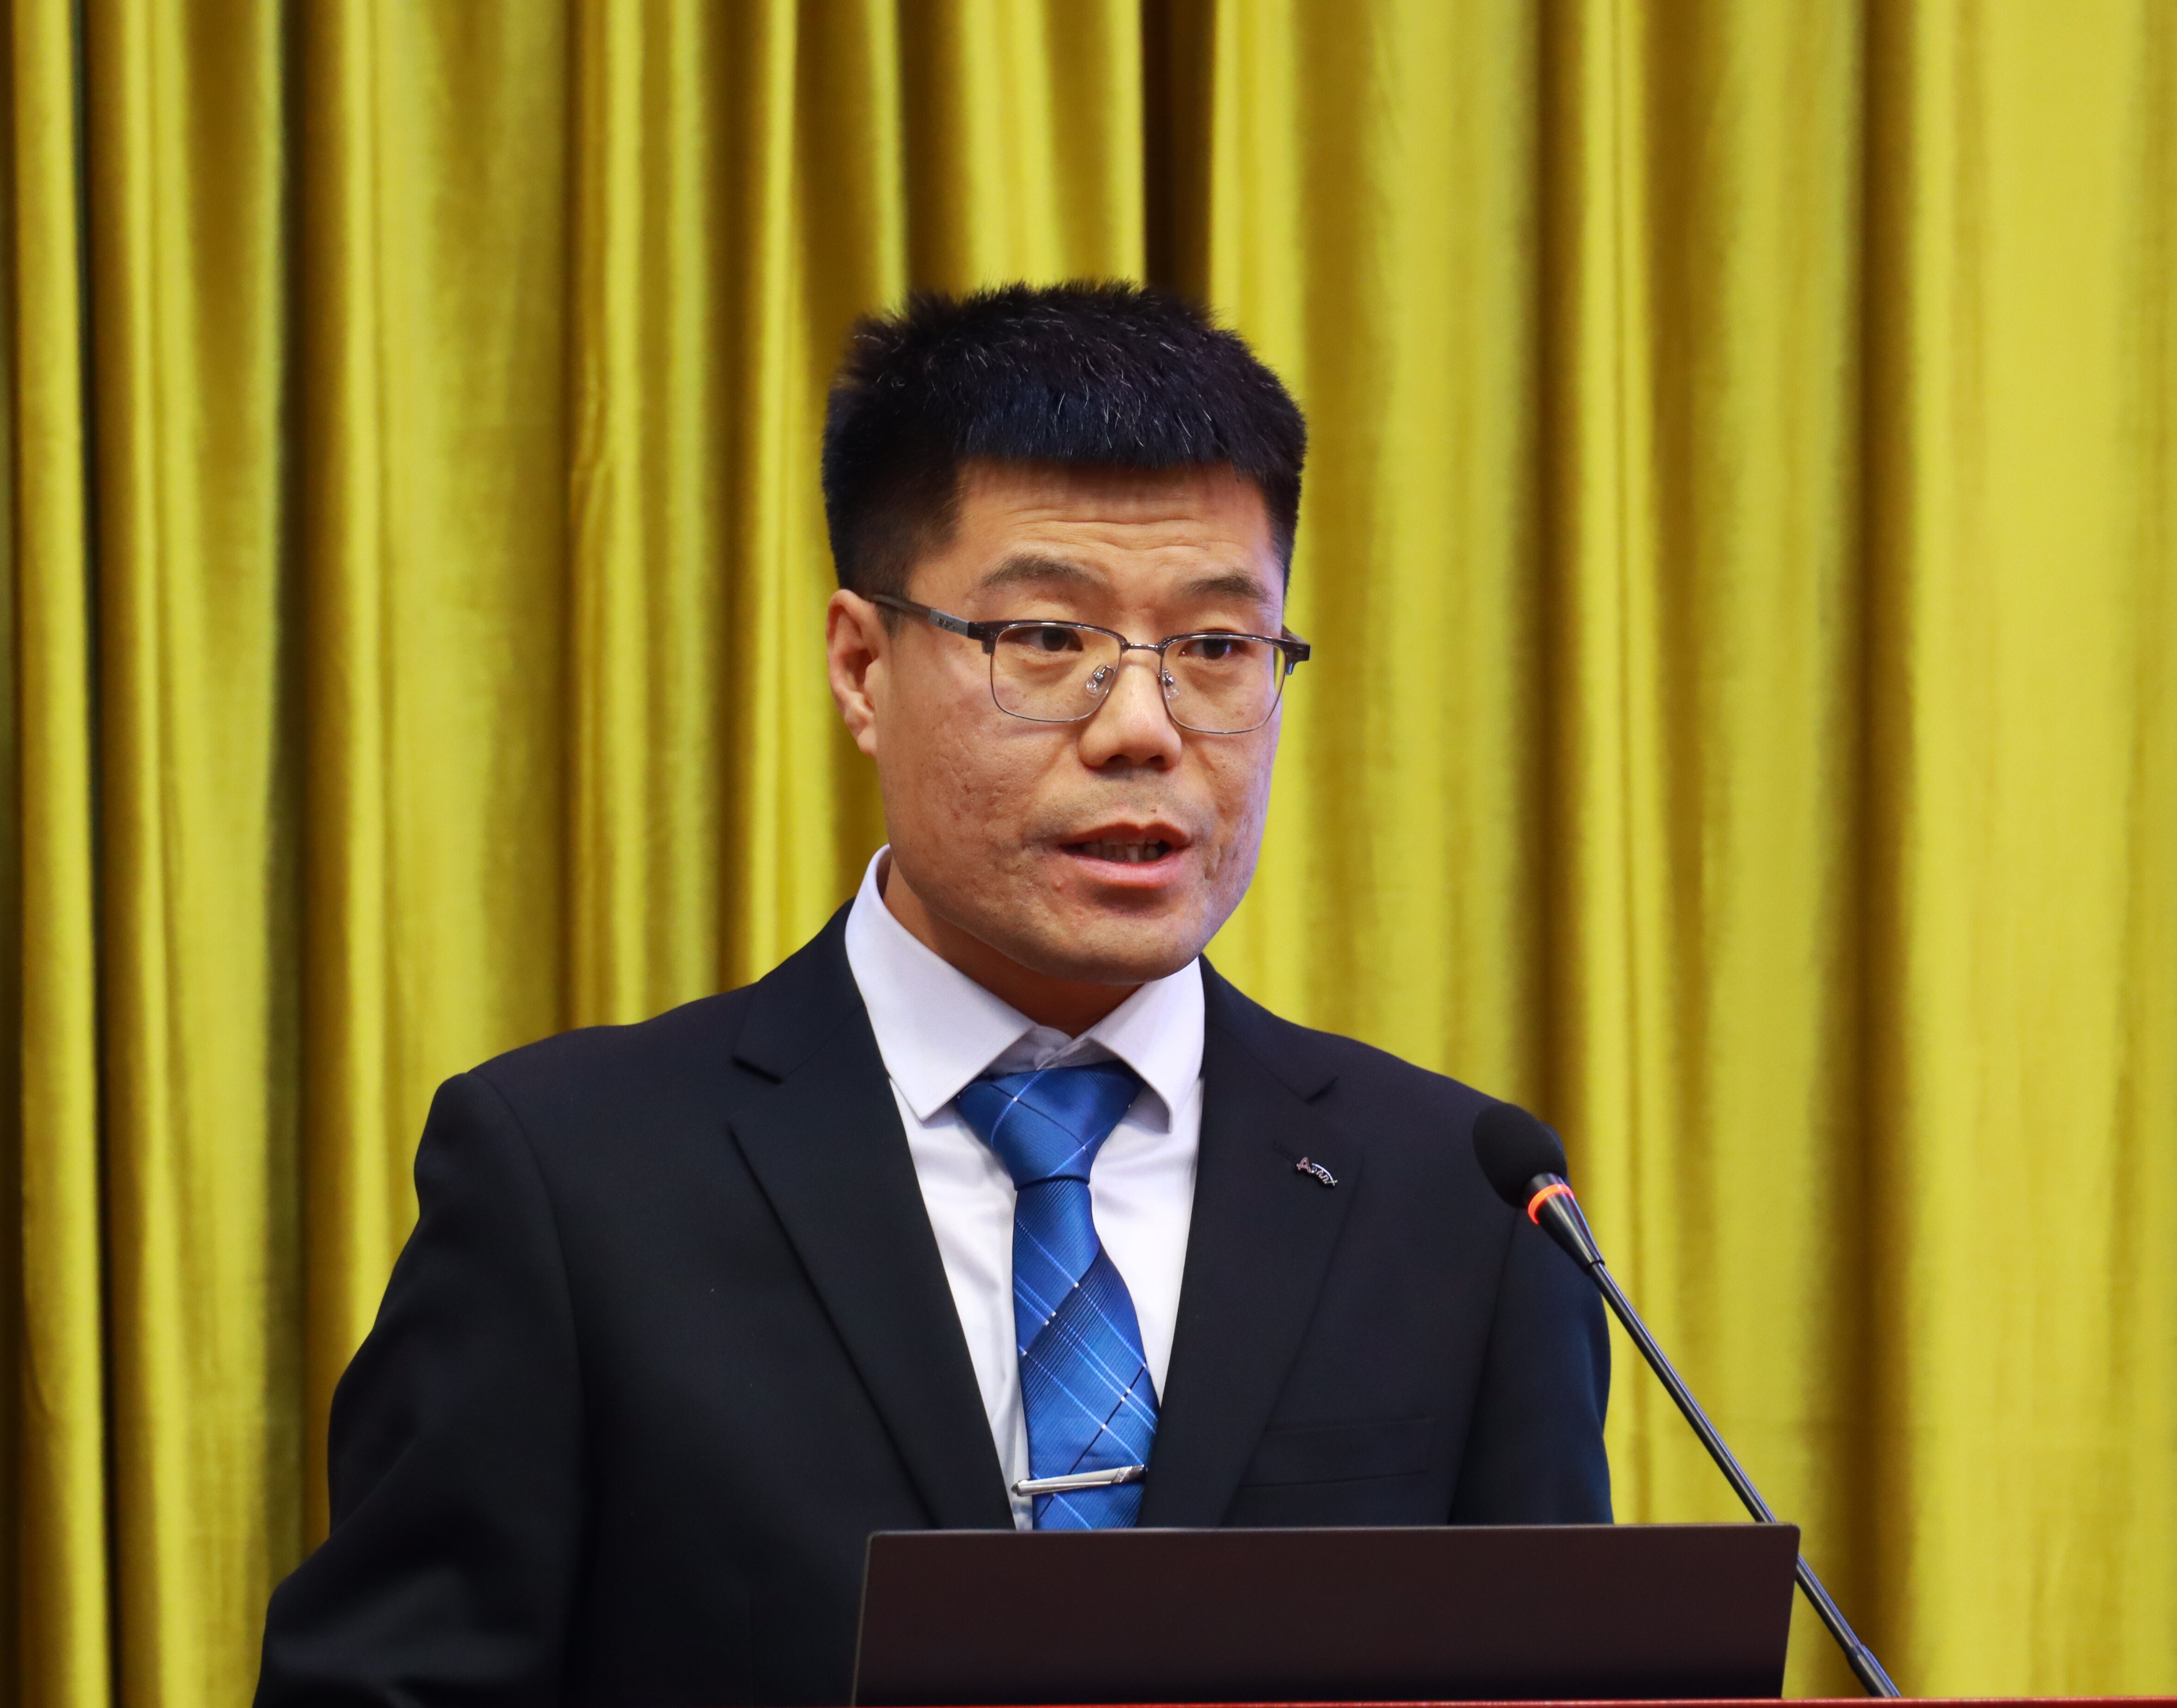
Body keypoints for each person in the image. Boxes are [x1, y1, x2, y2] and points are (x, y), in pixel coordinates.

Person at [254, 282, 1609, 1708]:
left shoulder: (1467, 1203)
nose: (1140, 727)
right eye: (1047, 640)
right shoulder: (572, 1180)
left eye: (1215, 648)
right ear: (860, 666)